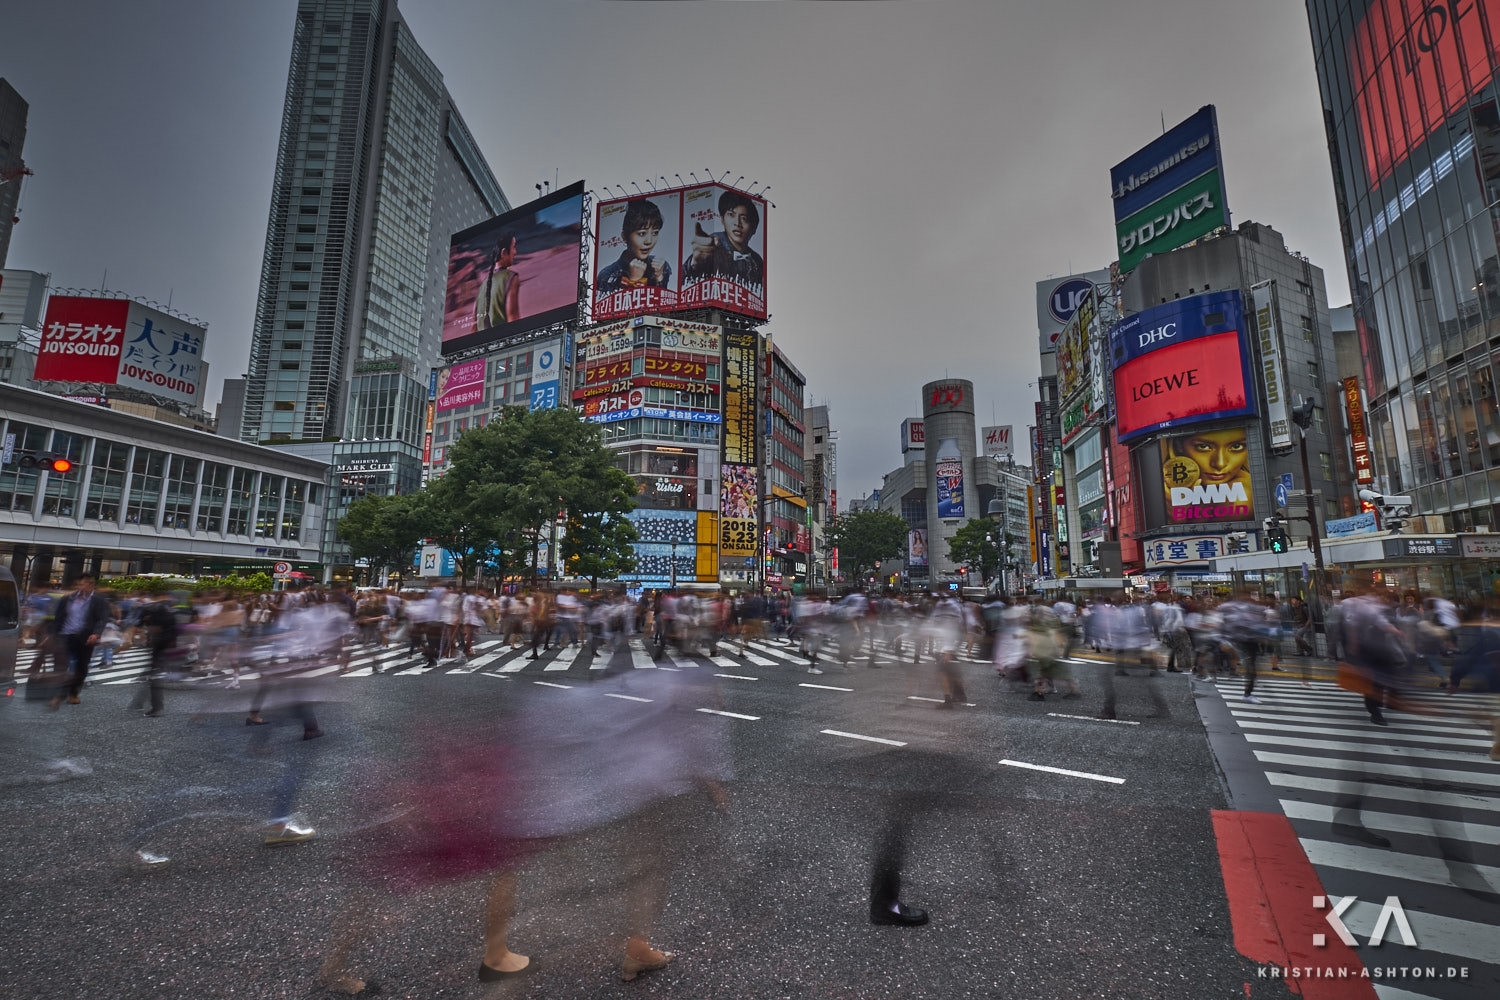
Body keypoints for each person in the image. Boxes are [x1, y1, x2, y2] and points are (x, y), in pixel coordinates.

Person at [49, 574, 111, 708]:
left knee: (82, 667)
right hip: (66, 635)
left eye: (85, 584)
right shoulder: (67, 599)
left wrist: (96, 633)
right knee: (59, 666)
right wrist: (52, 635)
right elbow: (58, 618)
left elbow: (102, 618)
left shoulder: (99, 600)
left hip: (85, 637)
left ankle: (73, 692)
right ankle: (58, 694)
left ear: (91, 584)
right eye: (80, 584)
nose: (82, 587)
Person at [683, 190, 764, 286]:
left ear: (753, 228)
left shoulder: (756, 260)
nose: (737, 223)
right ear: (722, 219)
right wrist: (694, 264)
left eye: (744, 218)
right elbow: (683, 277)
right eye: (731, 215)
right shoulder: (714, 245)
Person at [596, 198, 672, 293]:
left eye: (655, 233)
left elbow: (664, 304)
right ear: (625, 237)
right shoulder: (608, 275)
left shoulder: (662, 267)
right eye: (642, 233)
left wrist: (659, 278)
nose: (649, 241)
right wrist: (633, 280)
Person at [473, 233, 521, 330]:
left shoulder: (483, 285)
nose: (515, 252)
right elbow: (513, 319)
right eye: (513, 247)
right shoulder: (511, 277)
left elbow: (474, 326)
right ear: (504, 252)